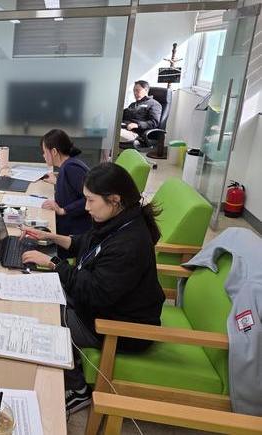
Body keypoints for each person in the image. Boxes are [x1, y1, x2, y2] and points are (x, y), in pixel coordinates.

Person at [21, 162, 165, 416]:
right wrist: (51, 238)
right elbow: (86, 244)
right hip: (105, 307)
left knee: (47, 320)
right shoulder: (120, 220)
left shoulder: (129, 243)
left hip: (120, 325)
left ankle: (77, 390)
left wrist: (54, 263)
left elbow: (94, 293)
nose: (86, 207)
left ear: (114, 200)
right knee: (41, 295)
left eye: (90, 200)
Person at [39, 129, 92, 259]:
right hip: (70, 226)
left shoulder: (71, 168)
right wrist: (58, 181)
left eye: (44, 152)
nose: (43, 155)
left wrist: (63, 210)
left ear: (54, 152)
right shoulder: (69, 165)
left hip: (74, 234)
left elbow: (89, 199)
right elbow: (73, 191)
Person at [120, 80, 162, 144]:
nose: (135, 93)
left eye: (137, 90)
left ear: (146, 90)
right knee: (107, 130)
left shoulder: (154, 104)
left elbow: (154, 122)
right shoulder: (133, 104)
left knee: (112, 133)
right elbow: (122, 115)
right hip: (124, 128)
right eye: (134, 91)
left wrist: (137, 125)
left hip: (136, 134)